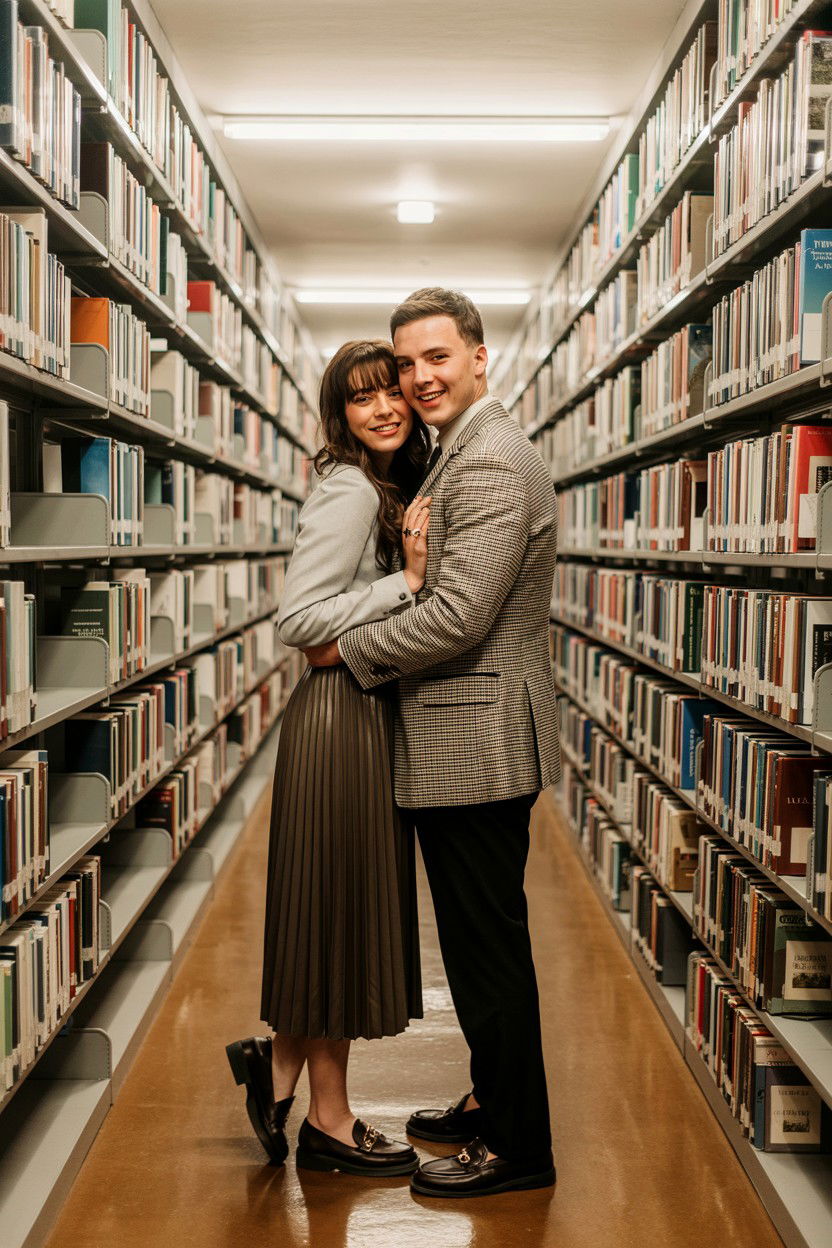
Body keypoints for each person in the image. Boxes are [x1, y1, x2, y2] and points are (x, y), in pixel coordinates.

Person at [304, 288, 561, 1199]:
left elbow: (455, 616)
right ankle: (494, 1100)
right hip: (468, 737)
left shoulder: (488, 464)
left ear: (480, 357)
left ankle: (520, 1150)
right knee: (479, 943)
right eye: (408, 363)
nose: (419, 379)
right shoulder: (459, 452)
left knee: (488, 955)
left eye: (437, 359)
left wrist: (347, 650)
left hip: (475, 743)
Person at [226, 340, 432, 1177]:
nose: (382, 408)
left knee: (331, 912)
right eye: (359, 399)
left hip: (360, 713)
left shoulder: (390, 486)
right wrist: (405, 586)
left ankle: (278, 1071)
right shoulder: (350, 489)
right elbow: (298, 622)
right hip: (337, 726)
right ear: (338, 416)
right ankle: (330, 1119)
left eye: (391, 392)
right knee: (339, 915)